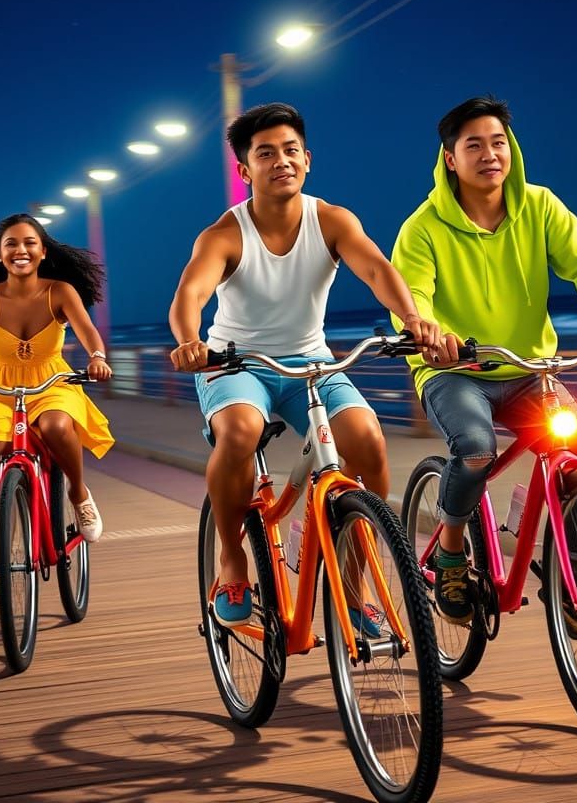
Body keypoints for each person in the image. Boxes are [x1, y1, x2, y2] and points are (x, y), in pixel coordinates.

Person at [390, 94, 577, 630]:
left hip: (528, 371)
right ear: (450, 158)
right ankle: (450, 555)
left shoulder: (539, 206)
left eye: (498, 142)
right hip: (455, 372)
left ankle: (569, 575)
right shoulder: (422, 228)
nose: (489, 154)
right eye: (474, 145)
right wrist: (427, 331)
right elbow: (412, 295)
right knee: (475, 449)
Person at [169, 102, 441, 630]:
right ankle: (231, 557)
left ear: (308, 159)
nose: (282, 161)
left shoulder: (332, 220)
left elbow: (376, 269)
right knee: (240, 432)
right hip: (235, 362)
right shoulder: (224, 234)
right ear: (245, 170)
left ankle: (354, 580)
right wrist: (189, 341)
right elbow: (191, 294)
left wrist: (412, 319)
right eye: (266, 154)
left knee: (367, 439)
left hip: (312, 360)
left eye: (291, 150)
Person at [0, 213, 114, 604]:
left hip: (52, 381)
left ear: (42, 251)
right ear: (0, 255)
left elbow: (87, 331)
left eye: (29, 242)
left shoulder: (60, 291)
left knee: (56, 427)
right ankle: (0, 566)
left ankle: (79, 494)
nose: (21, 250)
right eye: (11, 244)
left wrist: (97, 357)